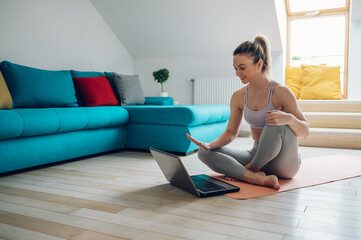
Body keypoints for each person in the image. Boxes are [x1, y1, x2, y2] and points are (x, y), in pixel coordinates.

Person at [186, 35, 309, 190]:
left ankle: (249, 171)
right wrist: (209, 145)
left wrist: (289, 119)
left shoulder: (281, 92)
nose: (238, 73)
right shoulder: (238, 96)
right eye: (235, 68)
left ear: (259, 64)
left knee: (274, 120)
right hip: (256, 155)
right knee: (204, 153)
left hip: (284, 163)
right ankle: (253, 177)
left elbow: (305, 132)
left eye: (242, 68)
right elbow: (231, 133)